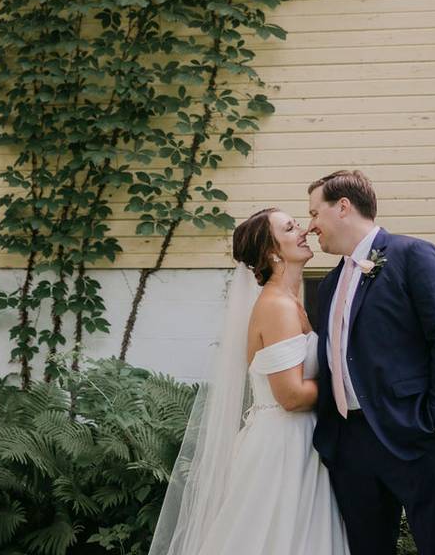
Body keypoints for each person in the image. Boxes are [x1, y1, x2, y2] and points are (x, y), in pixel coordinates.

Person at [149, 208, 349, 555]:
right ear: (273, 252)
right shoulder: (277, 307)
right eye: (290, 228)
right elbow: (290, 395)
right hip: (283, 445)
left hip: (300, 439)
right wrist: (349, 383)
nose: (302, 230)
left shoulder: (291, 302)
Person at [307, 169, 435, 555]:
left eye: (315, 213)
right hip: (351, 443)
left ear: (343, 207)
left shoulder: (413, 255)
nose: (311, 225)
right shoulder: (330, 283)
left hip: (416, 433)